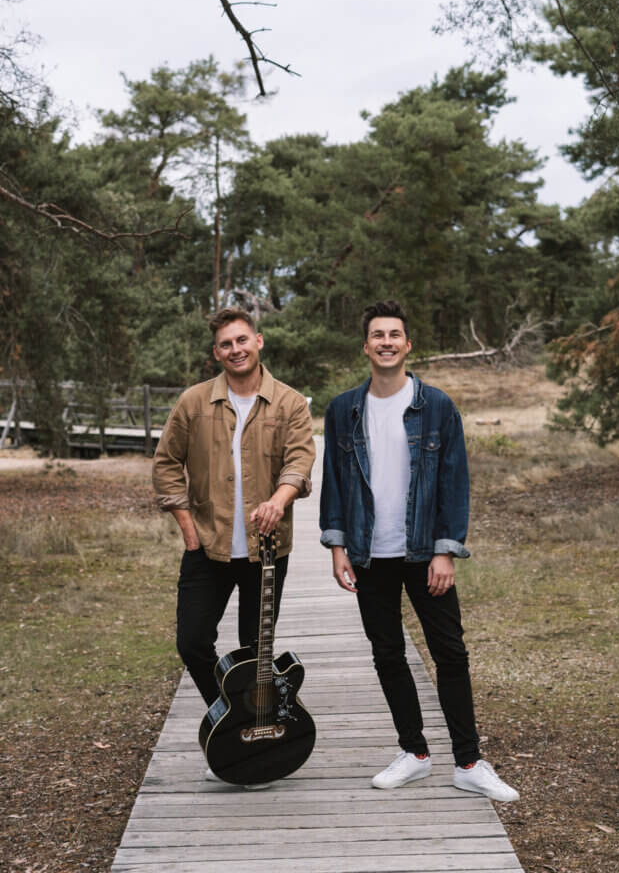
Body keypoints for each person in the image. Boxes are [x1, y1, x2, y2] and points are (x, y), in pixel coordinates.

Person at [320, 300, 518, 801]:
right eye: (377, 335)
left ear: (408, 345)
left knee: (450, 652)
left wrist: (445, 550)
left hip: (423, 552)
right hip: (368, 554)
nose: (386, 342)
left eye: (395, 335)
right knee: (387, 653)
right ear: (365, 346)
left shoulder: (437, 406)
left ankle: (469, 761)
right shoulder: (343, 410)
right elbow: (337, 486)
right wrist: (337, 546)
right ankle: (414, 752)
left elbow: (455, 483)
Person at [153, 307, 315, 721]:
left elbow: (299, 462)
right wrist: (188, 528)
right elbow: (166, 464)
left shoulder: (290, 403)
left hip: (268, 551)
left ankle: (249, 732)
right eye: (227, 344)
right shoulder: (193, 402)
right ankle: (229, 717)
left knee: (253, 649)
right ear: (217, 353)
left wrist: (278, 502)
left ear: (258, 342)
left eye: (242, 340)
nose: (236, 349)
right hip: (207, 544)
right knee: (192, 642)